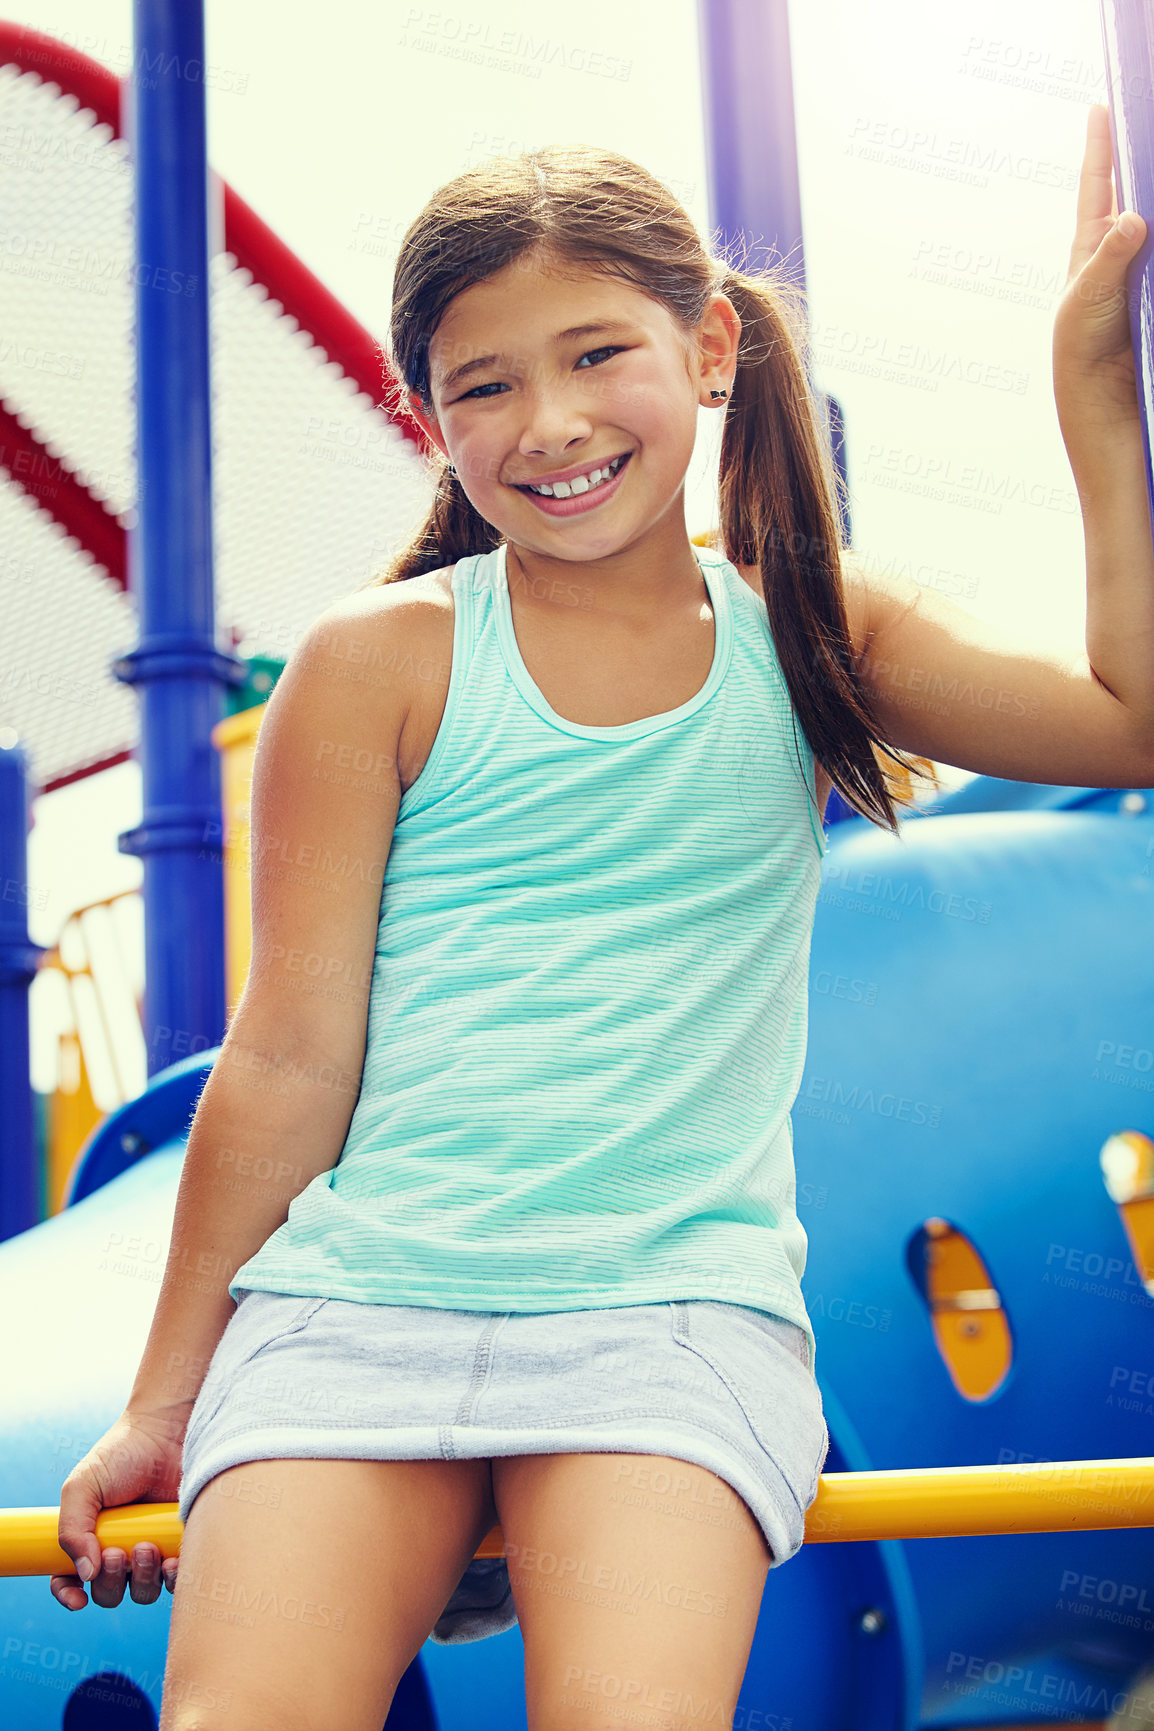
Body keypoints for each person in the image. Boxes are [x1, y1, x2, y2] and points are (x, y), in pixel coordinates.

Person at [51, 108, 1152, 1731]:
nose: (548, 423)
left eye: (593, 356)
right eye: (481, 384)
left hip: (667, 1309)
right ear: (427, 417)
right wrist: (166, 1393)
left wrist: (1087, 397)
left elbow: (1128, 727)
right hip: (368, 1300)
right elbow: (284, 1059)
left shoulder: (812, 630)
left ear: (707, 346)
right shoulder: (384, 660)